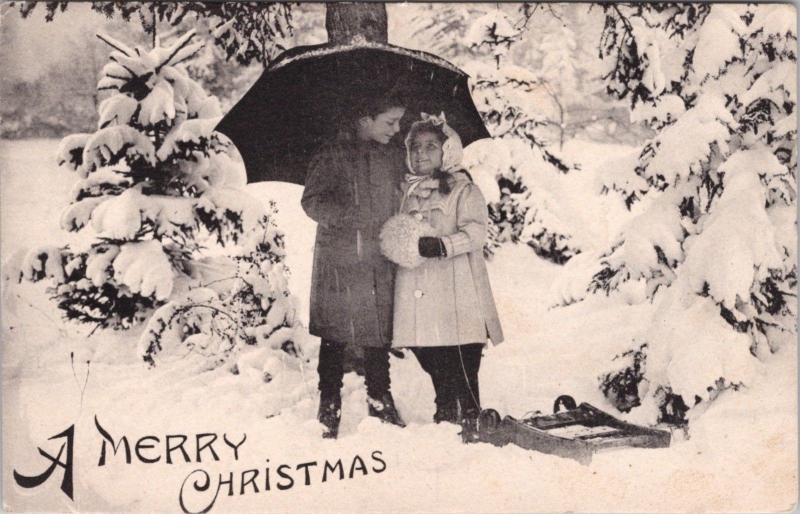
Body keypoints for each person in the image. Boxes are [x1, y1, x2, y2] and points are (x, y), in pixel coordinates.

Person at [389, 113, 504, 438]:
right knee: (431, 355)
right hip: (421, 295)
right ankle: (445, 410)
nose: (421, 154)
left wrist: (443, 245)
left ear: (446, 151)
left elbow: (477, 233)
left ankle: (471, 418)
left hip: (457, 292)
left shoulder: (463, 189)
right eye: (415, 148)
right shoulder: (406, 193)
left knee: (462, 360)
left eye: (430, 147)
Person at [302, 95, 408, 439]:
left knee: (377, 330)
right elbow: (312, 201)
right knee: (334, 334)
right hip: (340, 258)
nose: (396, 129)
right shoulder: (332, 153)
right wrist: (350, 218)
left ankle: (380, 399)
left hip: (376, 257)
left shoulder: (390, 155)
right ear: (365, 119)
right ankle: (328, 405)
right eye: (389, 122)